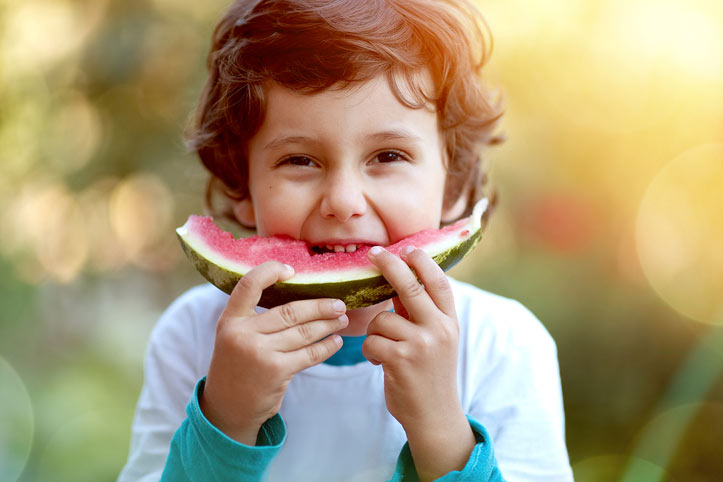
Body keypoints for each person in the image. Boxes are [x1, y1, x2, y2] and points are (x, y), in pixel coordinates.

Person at [118, 0, 573, 480]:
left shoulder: (503, 346)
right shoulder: (192, 339)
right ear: (242, 186)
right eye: (299, 160)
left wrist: (441, 428)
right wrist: (225, 420)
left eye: (388, 155)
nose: (343, 200)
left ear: (453, 183)